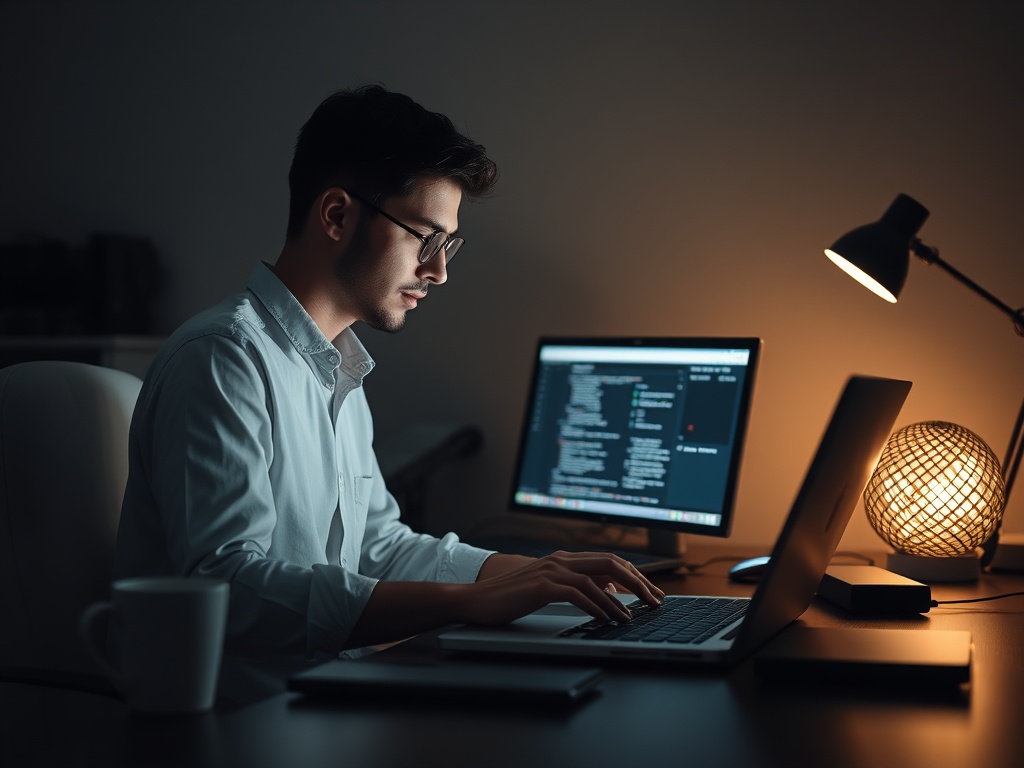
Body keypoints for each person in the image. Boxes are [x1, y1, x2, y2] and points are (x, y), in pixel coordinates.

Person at [113, 85, 664, 664]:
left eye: (449, 244)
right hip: (246, 724)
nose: (439, 271)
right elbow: (226, 587)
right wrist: (467, 603)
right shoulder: (222, 358)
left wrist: (541, 574)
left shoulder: (339, 369)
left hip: (330, 705)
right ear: (336, 215)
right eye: (426, 238)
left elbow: (379, 548)